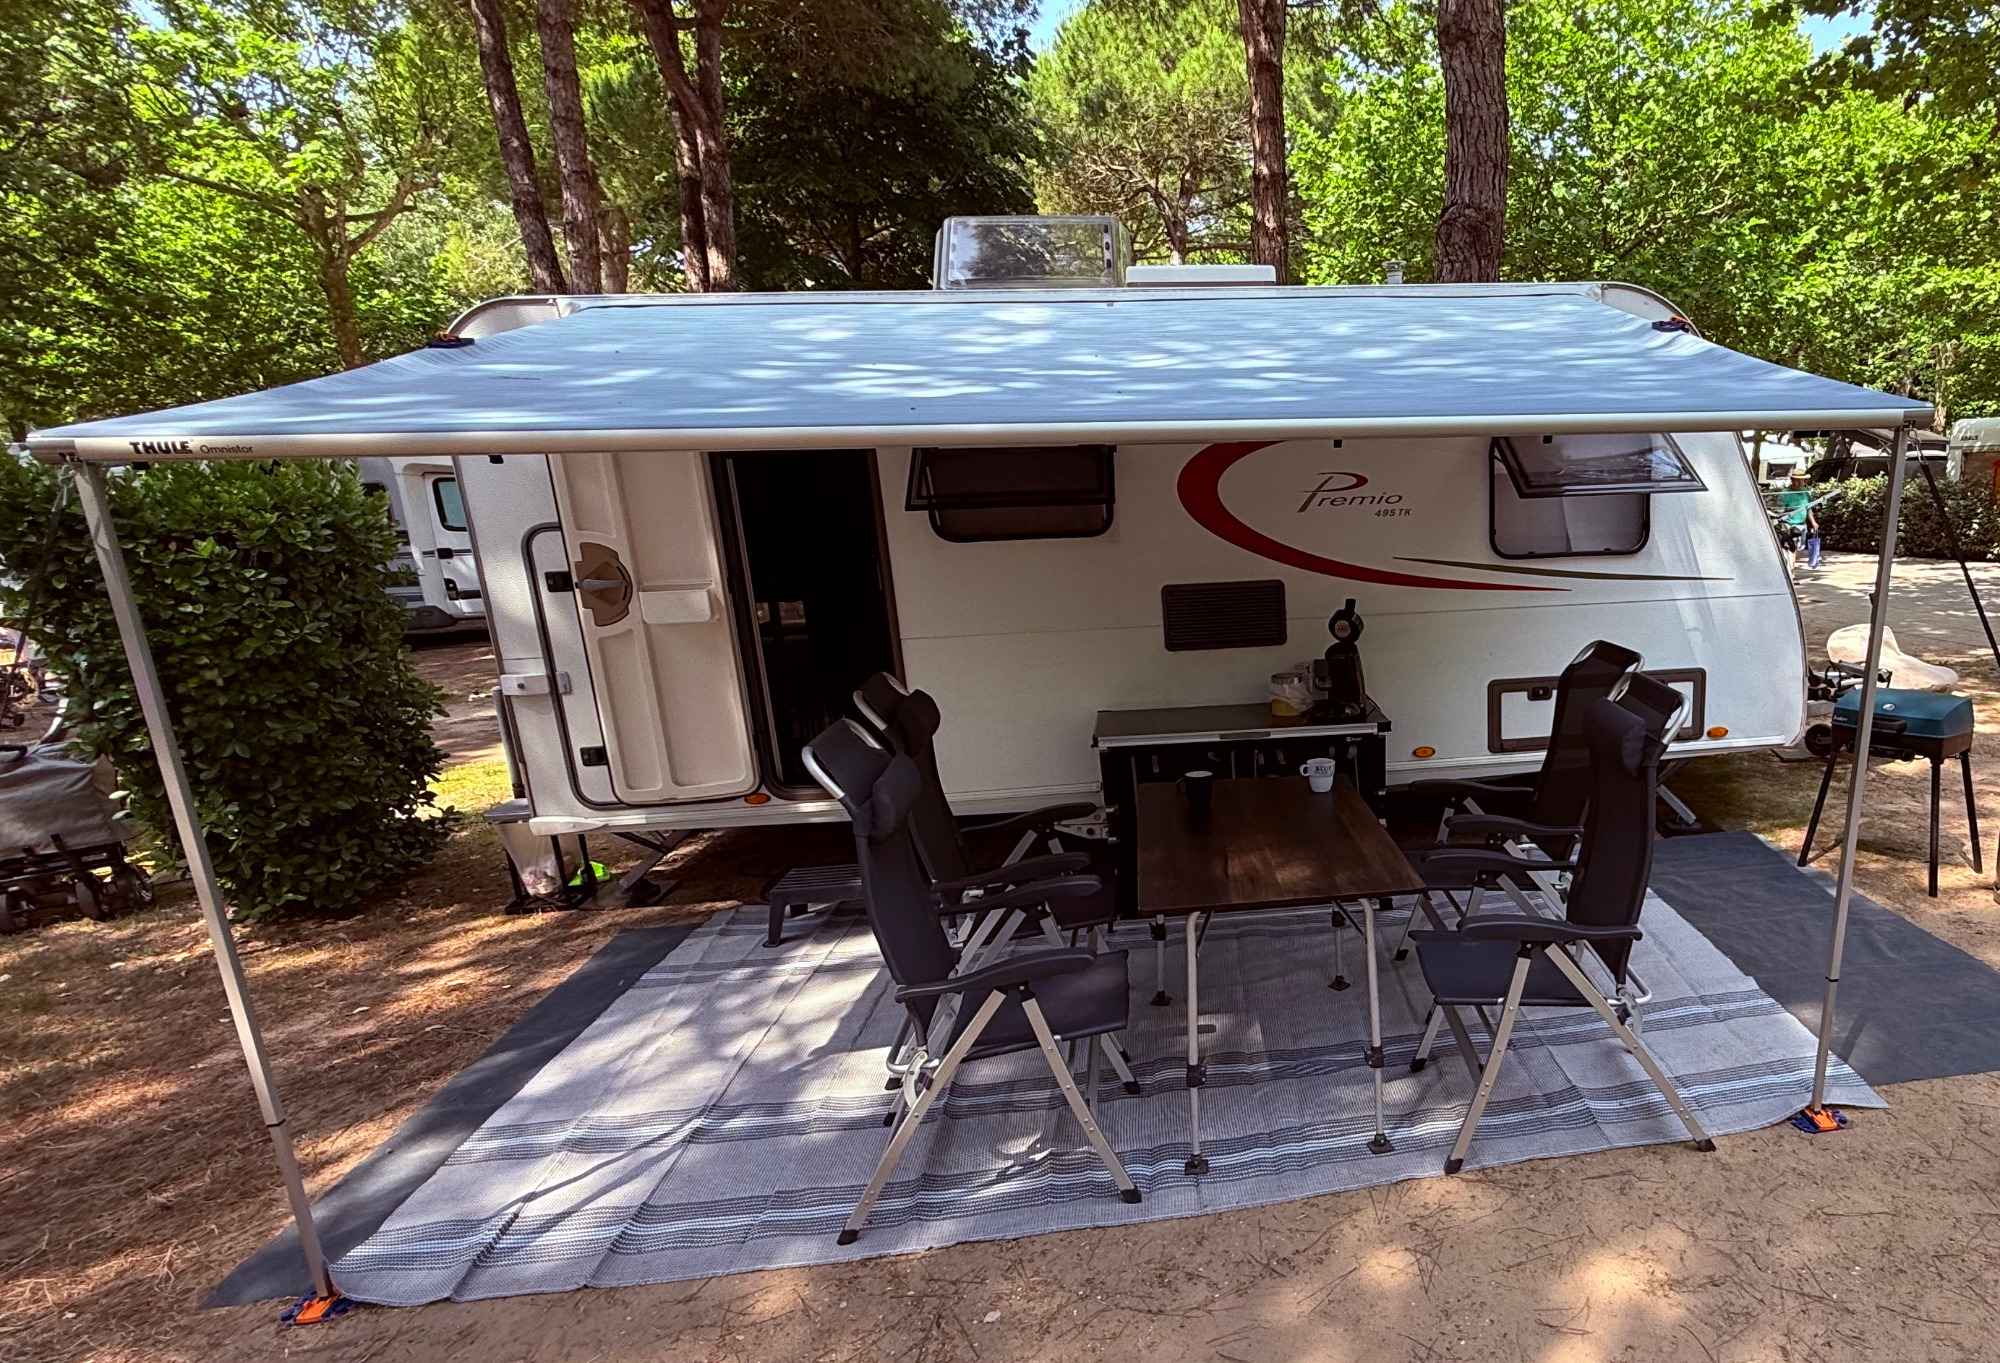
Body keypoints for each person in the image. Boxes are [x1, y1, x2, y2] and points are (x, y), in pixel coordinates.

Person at [1779, 471, 1819, 572]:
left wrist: (1813, 522)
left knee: (1796, 549)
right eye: (1798, 480)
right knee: (1791, 549)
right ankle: (1791, 572)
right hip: (1788, 525)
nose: (1801, 482)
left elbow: (1808, 508)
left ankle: (1790, 570)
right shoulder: (1785, 493)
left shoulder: (1805, 492)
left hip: (1801, 526)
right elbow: (1779, 511)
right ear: (1792, 480)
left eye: (1802, 480)